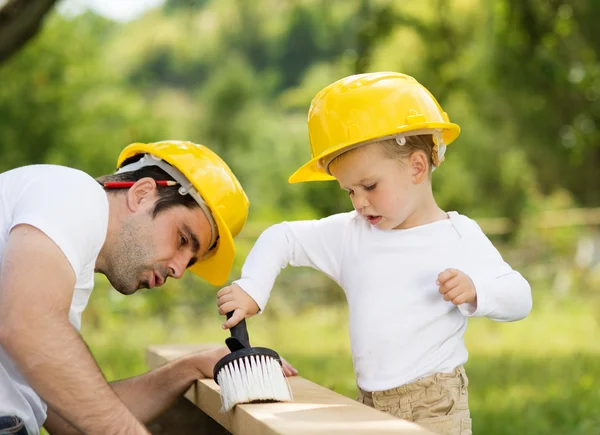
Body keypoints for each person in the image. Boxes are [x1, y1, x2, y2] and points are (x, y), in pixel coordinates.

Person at [216, 72, 533, 434]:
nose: (360, 202)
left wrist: (478, 290)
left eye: (369, 186)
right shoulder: (351, 234)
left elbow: (520, 296)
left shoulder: (457, 235)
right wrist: (253, 287)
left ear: (416, 167)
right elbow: (282, 237)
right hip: (368, 402)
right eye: (349, 191)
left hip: (436, 407)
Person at [0, 140, 296, 435]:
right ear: (141, 194)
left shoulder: (66, 271)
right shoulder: (75, 193)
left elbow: (68, 417)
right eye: (182, 239)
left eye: (190, 261)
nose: (179, 270)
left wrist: (188, 368)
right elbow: (28, 322)